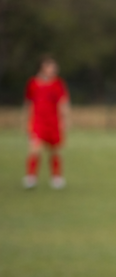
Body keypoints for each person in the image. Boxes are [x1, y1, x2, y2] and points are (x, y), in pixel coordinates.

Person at [23, 55, 70, 189]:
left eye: (54, 67)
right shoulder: (33, 83)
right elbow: (28, 103)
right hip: (38, 122)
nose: (53, 69)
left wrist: (65, 120)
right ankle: (31, 177)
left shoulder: (58, 84)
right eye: (50, 67)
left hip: (53, 122)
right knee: (34, 150)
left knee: (55, 151)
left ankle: (56, 177)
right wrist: (26, 121)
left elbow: (63, 103)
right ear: (43, 68)